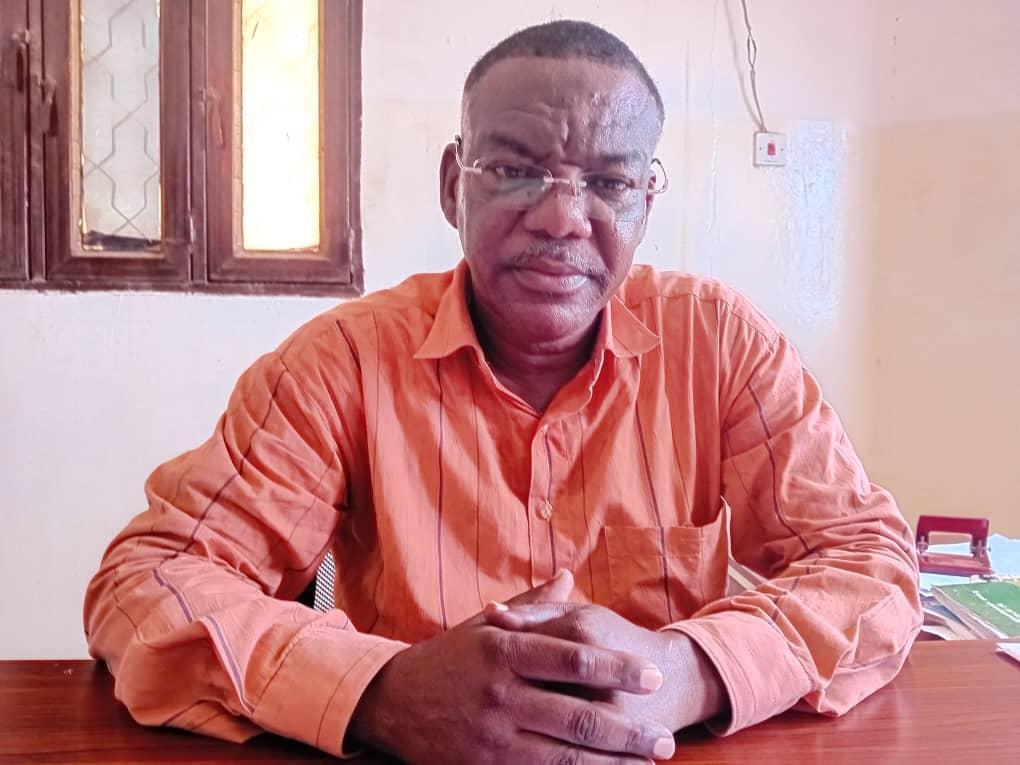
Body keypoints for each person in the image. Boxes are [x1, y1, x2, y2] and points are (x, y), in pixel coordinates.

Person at [83, 19, 922, 764]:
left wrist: (691, 670)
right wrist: (380, 690)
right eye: (517, 170)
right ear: (454, 183)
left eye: (608, 183)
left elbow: (871, 563)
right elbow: (148, 578)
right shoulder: (344, 363)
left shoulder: (719, 343)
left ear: (646, 201)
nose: (562, 218)